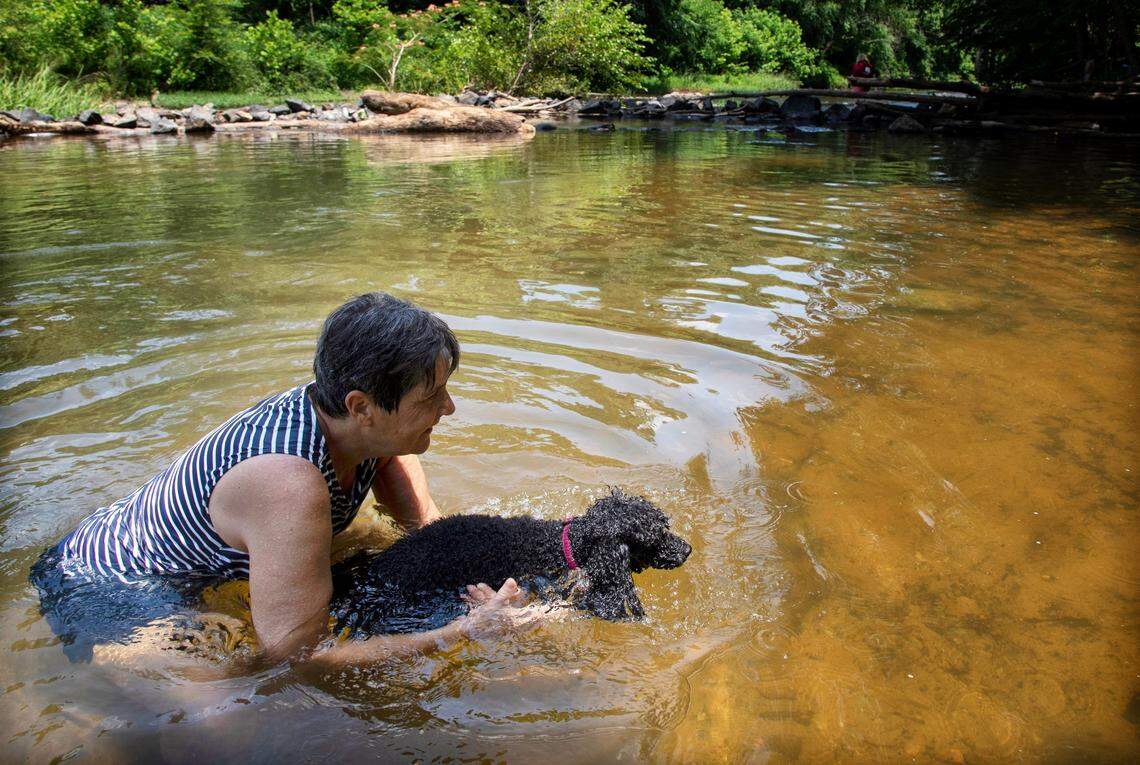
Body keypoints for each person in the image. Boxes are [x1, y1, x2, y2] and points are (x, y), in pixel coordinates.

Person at [31, 292, 536, 666]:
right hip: (110, 587)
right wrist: (461, 631)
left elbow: (427, 531)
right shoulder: (289, 487)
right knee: (228, 710)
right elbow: (296, 657)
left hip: (138, 548)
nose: (449, 408)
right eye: (431, 397)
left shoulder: (366, 431)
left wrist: (466, 574)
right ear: (362, 406)